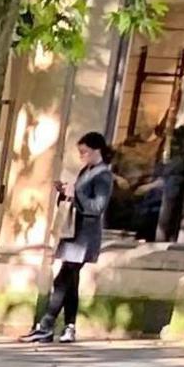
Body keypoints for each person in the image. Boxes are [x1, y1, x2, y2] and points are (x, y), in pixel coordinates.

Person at [29, 131, 113, 343]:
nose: (82, 156)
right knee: (70, 282)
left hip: (84, 238)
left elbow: (97, 206)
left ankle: (46, 325)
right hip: (73, 233)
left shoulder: (103, 175)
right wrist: (65, 193)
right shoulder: (87, 170)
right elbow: (79, 200)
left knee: (62, 280)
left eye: (84, 152)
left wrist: (77, 194)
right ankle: (69, 327)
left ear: (97, 150)